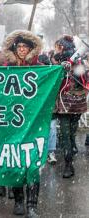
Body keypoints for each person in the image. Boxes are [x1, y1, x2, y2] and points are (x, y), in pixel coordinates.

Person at [0, 30, 43, 218]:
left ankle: (32, 204)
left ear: (31, 49)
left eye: (26, 47)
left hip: (34, 121)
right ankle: (18, 200)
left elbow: (52, 82)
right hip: (12, 122)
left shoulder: (41, 67)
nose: (23, 50)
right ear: (15, 49)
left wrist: (62, 70)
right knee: (15, 162)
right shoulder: (6, 67)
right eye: (20, 47)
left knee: (33, 164)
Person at [52, 35, 88, 178]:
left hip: (76, 102)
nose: (57, 49)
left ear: (63, 47)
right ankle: (68, 164)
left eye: (59, 47)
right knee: (65, 134)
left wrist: (73, 69)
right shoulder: (57, 60)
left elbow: (84, 79)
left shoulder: (78, 61)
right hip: (63, 103)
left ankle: (70, 153)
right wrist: (60, 69)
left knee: (71, 133)